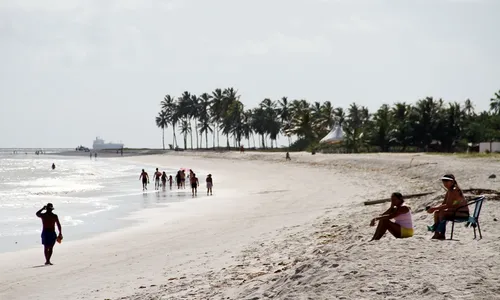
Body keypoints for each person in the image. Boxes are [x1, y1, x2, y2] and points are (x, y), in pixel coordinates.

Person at [427, 174, 469, 240]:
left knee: (442, 213)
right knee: (437, 213)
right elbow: (444, 204)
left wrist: (434, 208)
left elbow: (448, 205)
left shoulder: (454, 190)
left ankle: (441, 234)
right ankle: (437, 233)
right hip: (455, 210)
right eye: (444, 181)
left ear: (452, 182)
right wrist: (434, 209)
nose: (444, 183)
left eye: (446, 181)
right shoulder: (449, 190)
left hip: (461, 212)